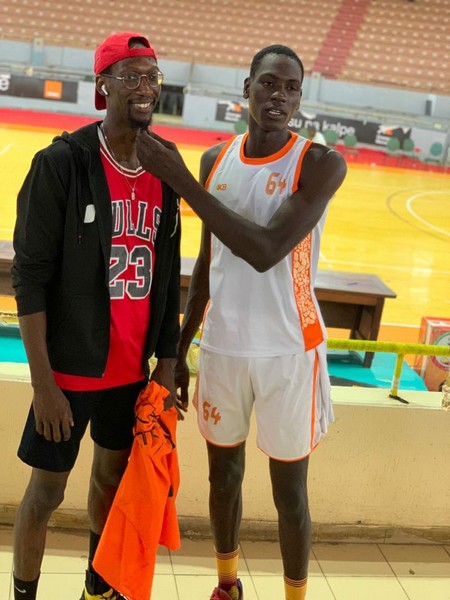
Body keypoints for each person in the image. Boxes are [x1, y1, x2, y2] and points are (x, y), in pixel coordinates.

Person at [136, 44, 347, 600]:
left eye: (291, 88)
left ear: (299, 99)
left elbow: (265, 250)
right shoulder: (216, 160)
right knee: (222, 479)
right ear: (247, 87)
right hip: (224, 348)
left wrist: (182, 183)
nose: (280, 96)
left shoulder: (320, 163)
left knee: (289, 494)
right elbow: (210, 264)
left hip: (288, 351)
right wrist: (180, 349)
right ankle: (227, 586)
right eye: (269, 83)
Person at [11, 31, 182, 600]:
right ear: (103, 85)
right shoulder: (62, 162)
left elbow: (169, 273)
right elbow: (29, 278)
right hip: (68, 373)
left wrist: (167, 362)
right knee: (46, 494)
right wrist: (43, 385)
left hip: (131, 372)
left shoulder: (165, 165)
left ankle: (97, 588)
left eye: (152, 77)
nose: (144, 87)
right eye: (131, 76)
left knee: (109, 483)